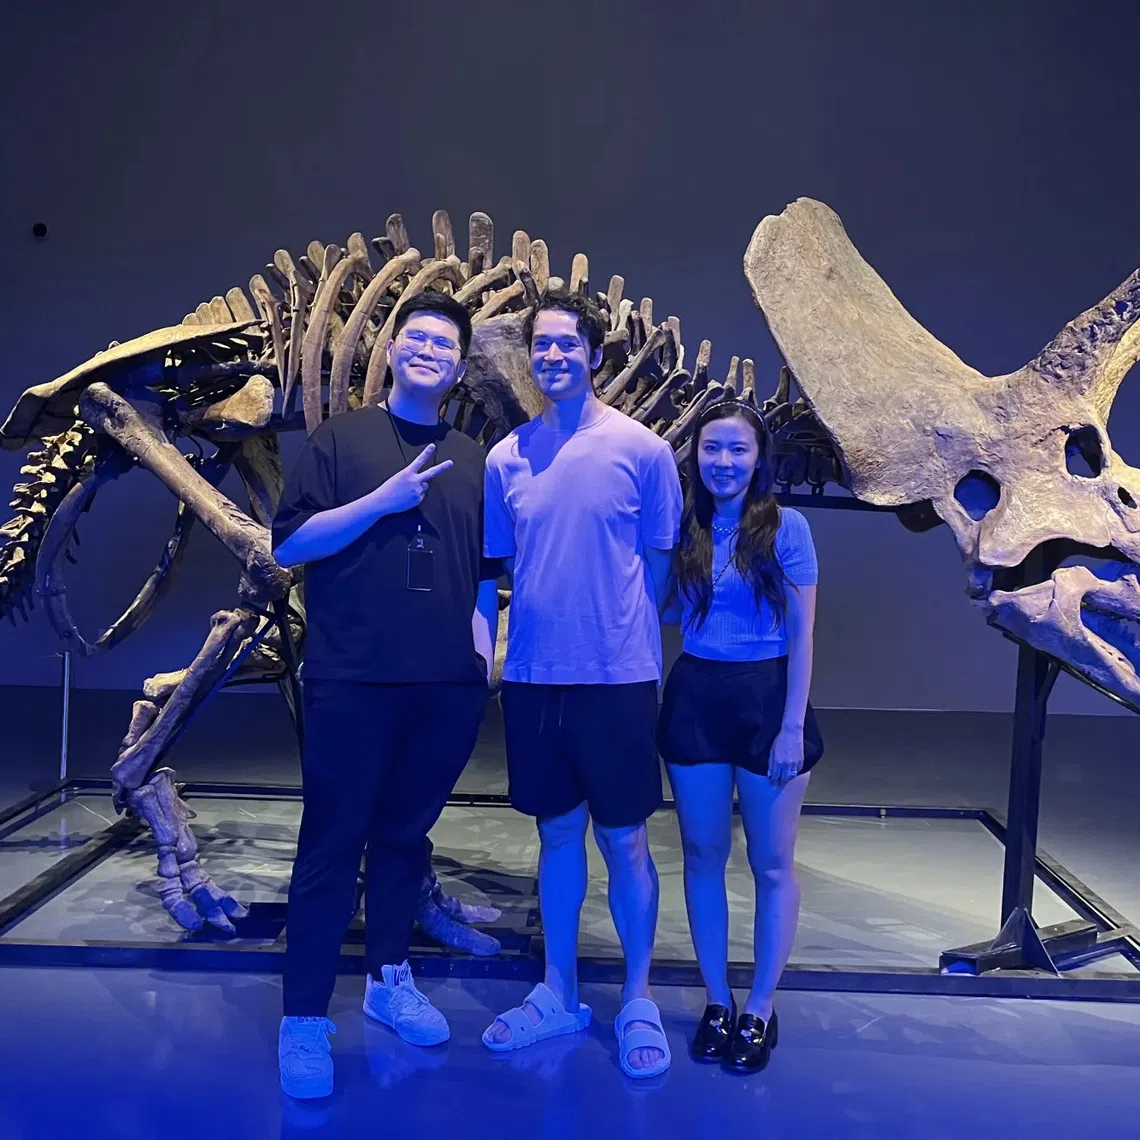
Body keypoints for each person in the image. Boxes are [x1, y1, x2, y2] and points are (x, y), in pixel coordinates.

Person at [271, 290, 499, 1100]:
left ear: (460, 364)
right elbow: (290, 542)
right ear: (393, 348)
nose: (430, 350)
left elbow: (489, 570)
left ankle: (388, 978)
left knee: (405, 838)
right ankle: (303, 1019)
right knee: (332, 843)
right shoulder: (339, 441)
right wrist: (380, 502)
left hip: (443, 687)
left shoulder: (476, 458)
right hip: (351, 679)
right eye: (418, 337)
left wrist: (481, 654)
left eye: (445, 342)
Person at [480, 290, 682, 1080]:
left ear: (593, 355)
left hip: (617, 680)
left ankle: (637, 997)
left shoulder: (645, 451)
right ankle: (556, 990)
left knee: (625, 839)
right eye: (542, 346)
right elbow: (506, 567)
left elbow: (659, 562)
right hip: (534, 678)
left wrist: (620, 634)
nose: (554, 356)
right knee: (556, 835)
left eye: (568, 344)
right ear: (529, 357)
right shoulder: (505, 459)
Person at [657, 399, 823, 1074]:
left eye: (737, 449)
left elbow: (804, 633)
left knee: (772, 862)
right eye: (711, 449)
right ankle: (718, 1001)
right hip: (696, 695)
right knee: (701, 854)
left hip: (767, 701)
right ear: (695, 456)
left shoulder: (788, 528)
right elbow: (668, 608)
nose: (722, 462)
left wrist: (789, 727)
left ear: (759, 460)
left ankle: (760, 1005)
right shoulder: (686, 525)